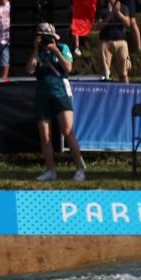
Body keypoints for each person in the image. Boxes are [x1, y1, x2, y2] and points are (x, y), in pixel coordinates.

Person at [29, 22, 85, 181]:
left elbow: (68, 67)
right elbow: (29, 69)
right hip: (42, 93)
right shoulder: (38, 52)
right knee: (45, 135)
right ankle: (50, 170)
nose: (45, 41)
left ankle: (79, 168)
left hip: (60, 92)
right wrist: (35, 49)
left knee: (67, 131)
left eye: (48, 37)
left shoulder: (62, 47)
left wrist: (55, 51)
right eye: (42, 38)